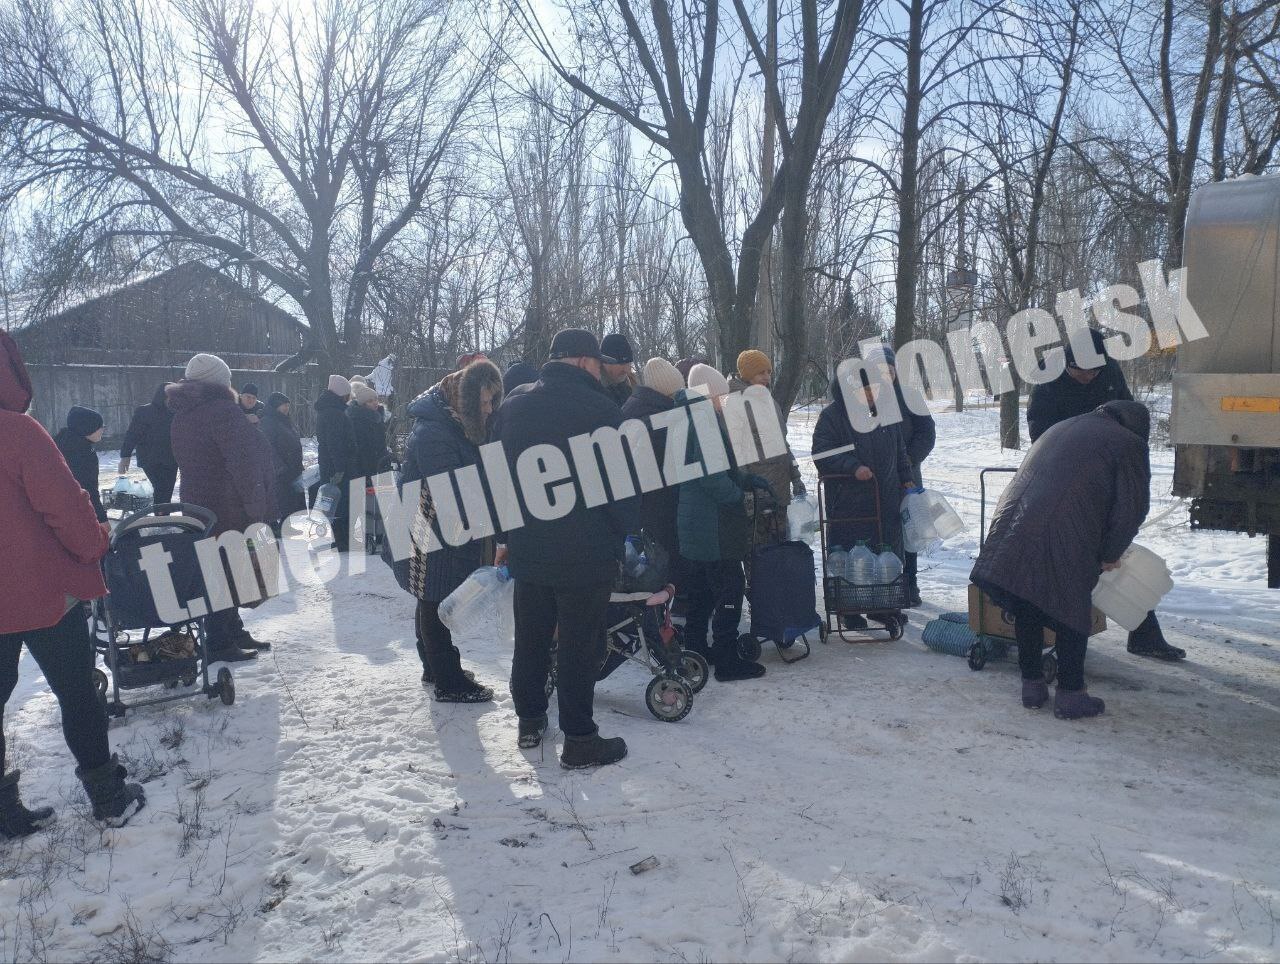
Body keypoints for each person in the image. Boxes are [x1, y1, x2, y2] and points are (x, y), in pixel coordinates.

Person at [0, 331, 145, 832]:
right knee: (77, 692)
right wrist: (95, 543)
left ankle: (3, 814)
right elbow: (66, 507)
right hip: (39, 592)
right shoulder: (17, 432)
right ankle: (109, 797)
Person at [491, 328, 636, 768]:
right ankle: (579, 739)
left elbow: (495, 478)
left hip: (529, 546)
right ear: (584, 361)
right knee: (578, 645)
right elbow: (620, 488)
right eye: (596, 363)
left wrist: (504, 538)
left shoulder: (513, 406)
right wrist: (623, 534)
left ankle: (530, 720)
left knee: (531, 639)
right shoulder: (602, 410)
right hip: (585, 551)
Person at [971, 401, 1152, 718]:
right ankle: (1071, 694)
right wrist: (1111, 553)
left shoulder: (1064, 425)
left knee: (1027, 601)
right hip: (1064, 531)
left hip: (1014, 525)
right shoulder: (1128, 443)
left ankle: (1032, 685)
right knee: (1071, 609)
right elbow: (1131, 509)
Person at [1027, 329, 1183, 661]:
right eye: (1080, 371)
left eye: (1094, 371)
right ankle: (1053, 634)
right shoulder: (1048, 379)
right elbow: (1040, 436)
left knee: (1114, 553)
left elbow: (1128, 415)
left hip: (1106, 474)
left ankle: (1143, 633)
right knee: (1073, 559)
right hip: (1063, 478)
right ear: (1066, 363)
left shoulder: (1109, 372)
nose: (1088, 376)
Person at [400, 359, 503, 702]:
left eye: (492, 401)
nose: (489, 409)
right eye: (484, 402)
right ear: (466, 401)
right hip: (425, 524)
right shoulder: (435, 432)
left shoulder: (453, 423)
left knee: (430, 595)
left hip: (434, 522)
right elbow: (450, 490)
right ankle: (448, 681)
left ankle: (434, 667)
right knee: (433, 597)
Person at [168, 353, 277, 660]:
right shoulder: (223, 412)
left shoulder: (182, 413)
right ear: (220, 382)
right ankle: (219, 640)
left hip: (197, 504)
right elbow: (245, 463)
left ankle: (231, 630)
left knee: (216, 567)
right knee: (227, 570)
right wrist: (257, 507)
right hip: (228, 504)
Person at [675, 363, 769, 681]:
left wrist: (745, 479)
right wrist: (738, 494)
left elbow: (718, 467)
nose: (725, 401)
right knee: (730, 587)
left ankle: (696, 650)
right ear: (709, 394)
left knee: (701, 591)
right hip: (712, 524)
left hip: (696, 523)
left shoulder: (690, 417)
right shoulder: (703, 422)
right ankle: (727, 658)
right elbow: (713, 478)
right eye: (722, 395)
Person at [811, 367, 913, 630]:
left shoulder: (885, 413)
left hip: (886, 497)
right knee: (853, 556)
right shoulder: (833, 416)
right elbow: (822, 453)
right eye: (864, 389)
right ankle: (849, 608)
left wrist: (906, 476)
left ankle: (883, 606)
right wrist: (852, 467)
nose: (871, 394)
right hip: (849, 502)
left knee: (885, 551)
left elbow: (899, 450)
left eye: (874, 388)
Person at [862, 345, 935, 607]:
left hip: (907, 475)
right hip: (873, 477)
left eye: (890, 367)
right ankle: (879, 583)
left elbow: (926, 433)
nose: (886, 372)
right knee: (877, 528)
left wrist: (908, 460)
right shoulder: (864, 397)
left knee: (907, 529)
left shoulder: (909, 396)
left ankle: (909, 583)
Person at [728, 349, 805, 543]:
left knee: (780, 550)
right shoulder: (735, 404)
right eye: (760, 372)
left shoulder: (771, 402)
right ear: (747, 374)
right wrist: (748, 488)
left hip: (779, 490)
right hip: (757, 493)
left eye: (769, 372)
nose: (766, 377)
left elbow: (783, 443)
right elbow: (735, 450)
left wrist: (796, 477)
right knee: (759, 552)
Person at [620, 357, 685, 560]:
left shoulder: (632, 407)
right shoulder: (657, 422)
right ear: (666, 392)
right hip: (656, 511)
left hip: (639, 511)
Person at [315, 374, 359, 552]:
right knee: (341, 503)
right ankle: (343, 540)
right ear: (341, 394)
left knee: (333, 502)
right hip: (338, 466)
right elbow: (335, 443)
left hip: (330, 464)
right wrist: (339, 468)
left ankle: (340, 538)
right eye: (347, 394)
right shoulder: (334, 413)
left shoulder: (328, 410)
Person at [118, 385, 178, 504]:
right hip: (150, 459)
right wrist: (125, 456)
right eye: (170, 397)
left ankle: (162, 514)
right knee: (161, 488)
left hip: (171, 459)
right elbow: (132, 434)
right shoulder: (144, 411)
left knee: (166, 490)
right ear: (162, 396)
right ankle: (161, 514)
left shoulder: (176, 412)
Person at [260, 392, 306, 532]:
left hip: (292, 467)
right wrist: (279, 466)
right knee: (282, 499)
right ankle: (279, 527)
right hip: (280, 469)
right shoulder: (268, 421)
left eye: (287, 405)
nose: (286, 408)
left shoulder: (285, 420)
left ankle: (287, 526)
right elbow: (268, 446)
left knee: (291, 499)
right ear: (275, 406)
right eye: (283, 405)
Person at [54, 406, 107, 523]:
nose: (103, 429)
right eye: (100, 426)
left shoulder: (61, 443)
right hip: (73, 512)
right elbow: (89, 489)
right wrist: (102, 519)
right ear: (88, 428)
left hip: (55, 509)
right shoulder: (83, 453)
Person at [349, 382, 391, 479]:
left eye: (376, 399)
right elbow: (359, 448)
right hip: (361, 468)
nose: (375, 402)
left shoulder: (378, 418)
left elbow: (381, 444)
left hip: (381, 464)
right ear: (363, 404)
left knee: (385, 488)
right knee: (361, 489)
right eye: (370, 401)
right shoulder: (356, 420)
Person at [600, 333, 636, 407]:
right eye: (622, 364)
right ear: (606, 362)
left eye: (629, 363)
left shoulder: (628, 387)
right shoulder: (594, 388)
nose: (626, 370)